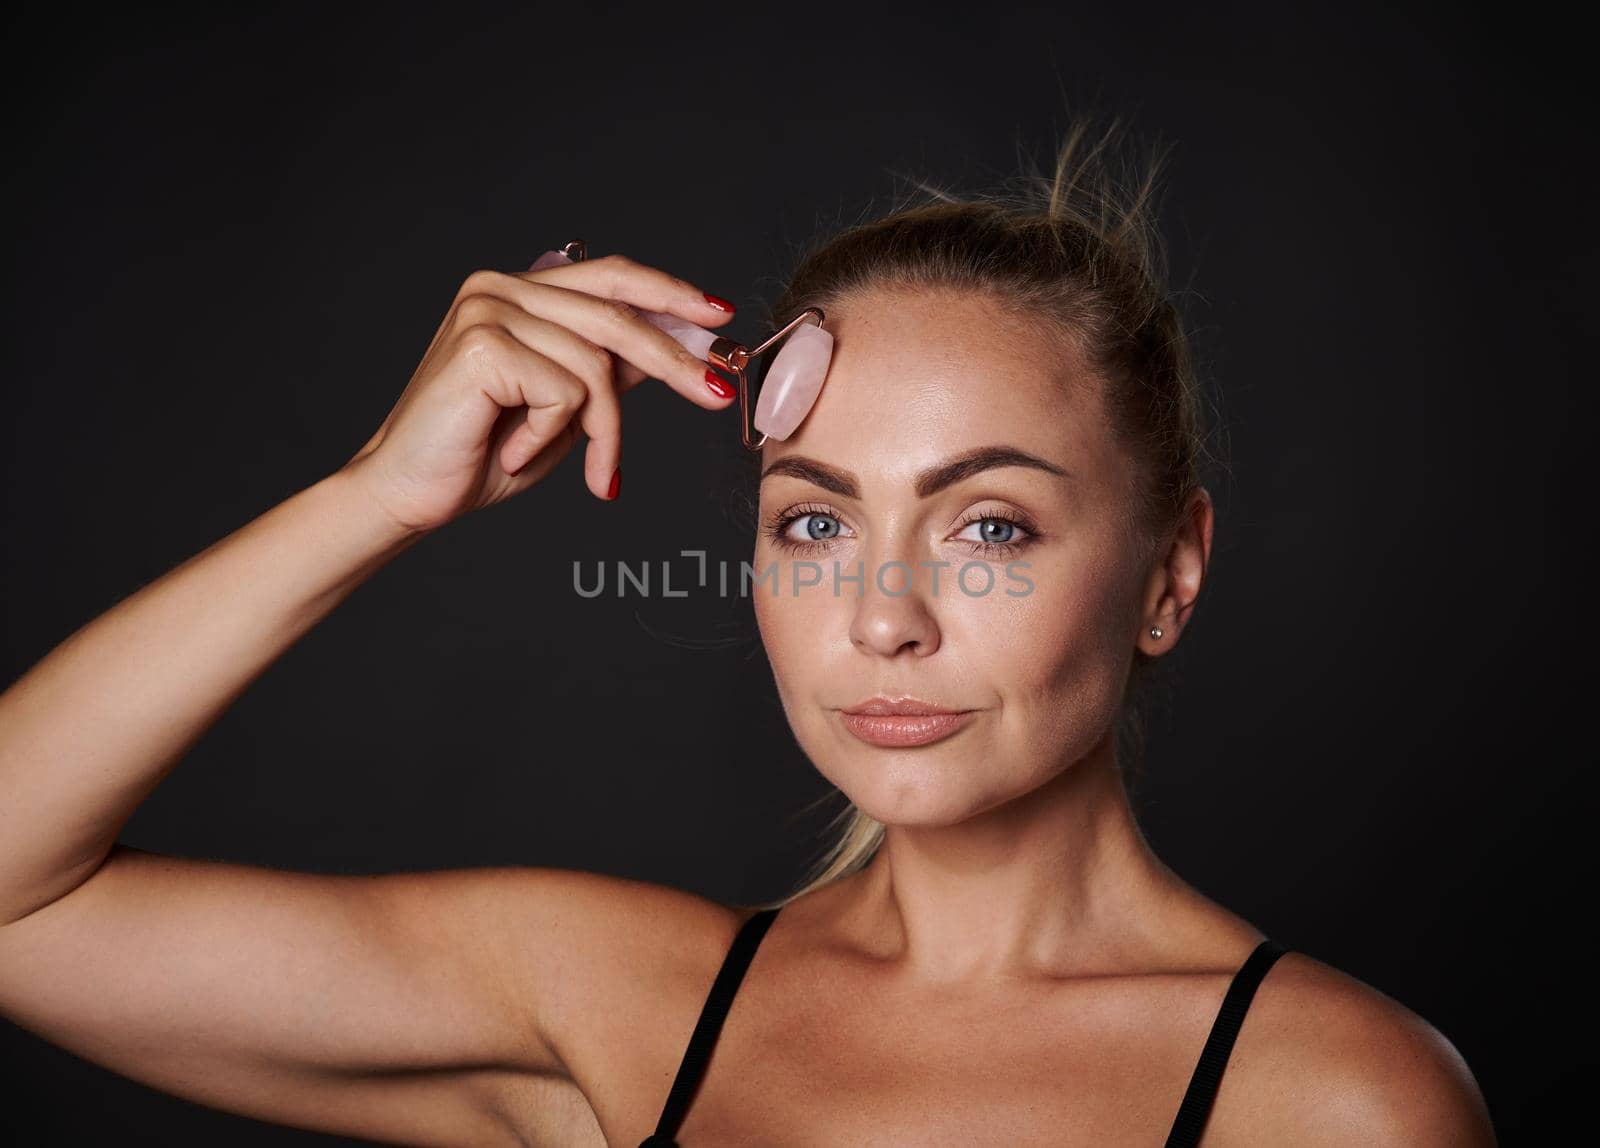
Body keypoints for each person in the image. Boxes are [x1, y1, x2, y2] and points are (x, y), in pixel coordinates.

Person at [0, 118, 1496, 1147]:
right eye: (815, 522)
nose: (883, 617)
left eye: (990, 529)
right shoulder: (613, 1006)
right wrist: (378, 498)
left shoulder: (1333, 1098)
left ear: (1171, 573)